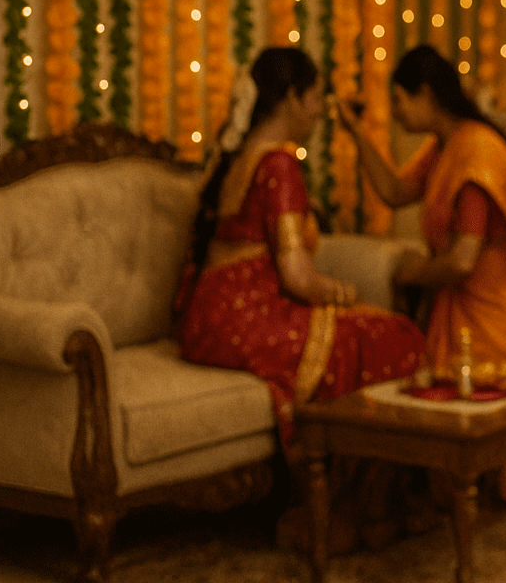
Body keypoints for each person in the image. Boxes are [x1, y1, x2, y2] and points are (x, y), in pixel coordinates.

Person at [339, 44, 506, 500]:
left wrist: (410, 273)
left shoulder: (475, 151)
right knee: (452, 404)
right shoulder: (445, 146)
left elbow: (463, 260)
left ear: (425, 94)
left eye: (399, 101)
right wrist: (356, 135)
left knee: (484, 406)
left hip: (492, 297)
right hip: (464, 295)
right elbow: (397, 192)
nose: (397, 114)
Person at [178, 47, 426, 446]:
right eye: (315, 98)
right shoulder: (279, 164)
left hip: (204, 323)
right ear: (292, 97)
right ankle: (365, 490)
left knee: (366, 329)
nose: (317, 112)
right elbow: (297, 279)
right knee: (395, 334)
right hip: (248, 321)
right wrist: (345, 294)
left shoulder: (234, 156)